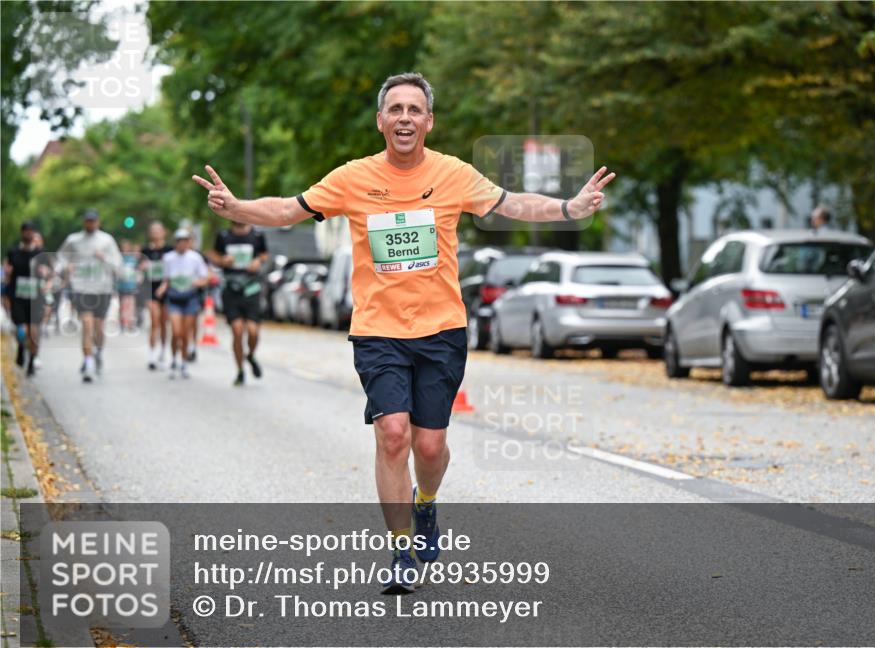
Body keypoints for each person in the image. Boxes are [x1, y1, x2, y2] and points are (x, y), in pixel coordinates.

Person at [193, 72, 614, 593]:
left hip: (441, 329)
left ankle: (427, 504)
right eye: (396, 109)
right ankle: (400, 550)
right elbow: (289, 210)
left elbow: (510, 203)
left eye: (415, 109)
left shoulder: (453, 174)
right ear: (380, 121)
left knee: (430, 447)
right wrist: (238, 208)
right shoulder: (352, 177)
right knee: (393, 435)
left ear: (429, 121)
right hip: (378, 331)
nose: (405, 118)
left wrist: (568, 208)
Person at [56, 209, 122, 383]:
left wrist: (104, 258)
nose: (90, 224)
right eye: (87, 221)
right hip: (81, 288)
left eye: (93, 221)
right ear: (84, 222)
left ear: (98, 222)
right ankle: (89, 362)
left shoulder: (107, 240)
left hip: (103, 289)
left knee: (99, 327)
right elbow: (60, 257)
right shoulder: (73, 240)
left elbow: (118, 264)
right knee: (86, 324)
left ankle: (98, 352)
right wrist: (66, 266)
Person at [205, 220, 268, 386]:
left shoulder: (257, 235)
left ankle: (251, 356)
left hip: (251, 288)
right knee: (237, 330)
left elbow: (264, 254)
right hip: (231, 288)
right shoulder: (224, 236)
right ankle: (240, 371)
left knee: (253, 331)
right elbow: (214, 255)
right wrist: (222, 261)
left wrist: (258, 262)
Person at [157, 229, 210, 380]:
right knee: (176, 331)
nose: (183, 244)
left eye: (186, 241)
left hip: (190, 298)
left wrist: (196, 282)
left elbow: (205, 278)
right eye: (180, 241)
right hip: (174, 298)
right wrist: (163, 288)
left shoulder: (195, 258)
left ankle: (184, 362)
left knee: (186, 334)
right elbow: (166, 279)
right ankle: (174, 360)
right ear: (176, 242)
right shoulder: (168, 258)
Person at [4, 221, 50, 376]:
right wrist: (5, 295)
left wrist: (46, 278)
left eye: (31, 231)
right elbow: (8, 275)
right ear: (22, 233)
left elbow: (50, 275)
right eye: (26, 231)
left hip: (35, 298)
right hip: (17, 296)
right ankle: (21, 348)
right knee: (21, 329)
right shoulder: (13, 252)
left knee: (34, 331)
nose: (28, 234)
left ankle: (31, 359)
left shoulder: (41, 253)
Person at [139, 222, 173, 370]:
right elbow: (138, 270)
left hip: (167, 290)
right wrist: (141, 268)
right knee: (154, 322)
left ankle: (163, 352)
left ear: (164, 232)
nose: (156, 233)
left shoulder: (170, 250)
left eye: (158, 230)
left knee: (164, 323)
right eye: (153, 230)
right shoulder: (145, 250)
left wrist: (166, 284)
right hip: (151, 289)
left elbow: (174, 269)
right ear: (150, 233)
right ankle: (152, 355)